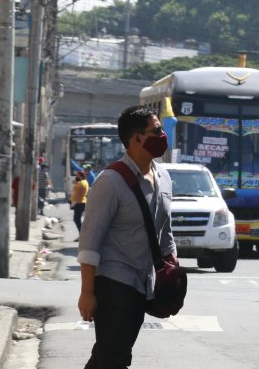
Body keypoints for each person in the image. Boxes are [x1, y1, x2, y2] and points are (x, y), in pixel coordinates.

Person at [77, 105, 176, 369]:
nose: (162, 135)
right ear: (136, 139)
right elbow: (89, 241)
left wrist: (172, 270)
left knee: (109, 353)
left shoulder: (164, 178)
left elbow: (164, 232)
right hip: (114, 281)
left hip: (144, 283)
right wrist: (87, 292)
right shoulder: (110, 181)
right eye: (156, 131)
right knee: (116, 355)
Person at [71, 169, 90, 236]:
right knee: (77, 219)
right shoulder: (85, 182)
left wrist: (73, 202)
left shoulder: (80, 183)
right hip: (80, 202)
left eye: (78, 176)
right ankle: (82, 234)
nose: (76, 177)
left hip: (79, 202)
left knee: (77, 219)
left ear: (81, 176)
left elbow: (76, 192)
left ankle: (82, 234)